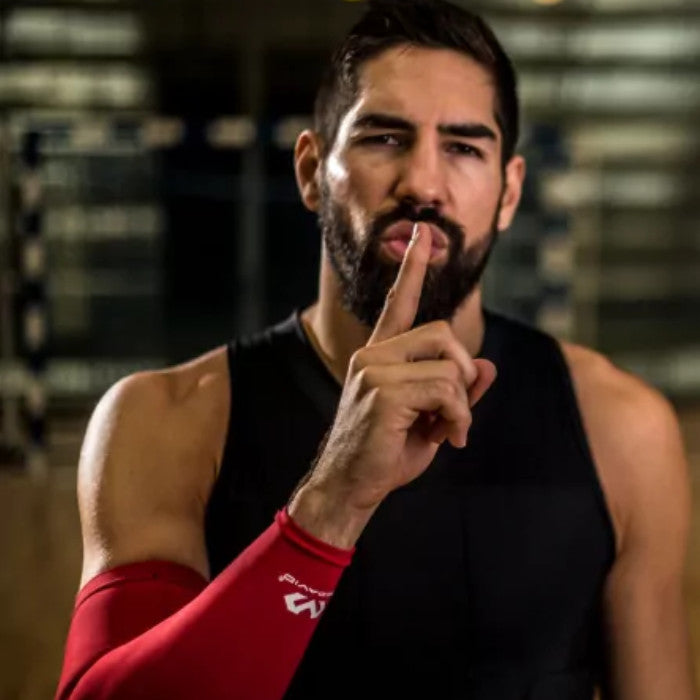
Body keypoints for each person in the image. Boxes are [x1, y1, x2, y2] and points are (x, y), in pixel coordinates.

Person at [55, 1, 697, 698]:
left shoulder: (620, 429)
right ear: (310, 171)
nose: (422, 183)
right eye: (384, 138)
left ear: (509, 193)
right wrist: (332, 501)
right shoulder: (165, 422)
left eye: (463, 147)